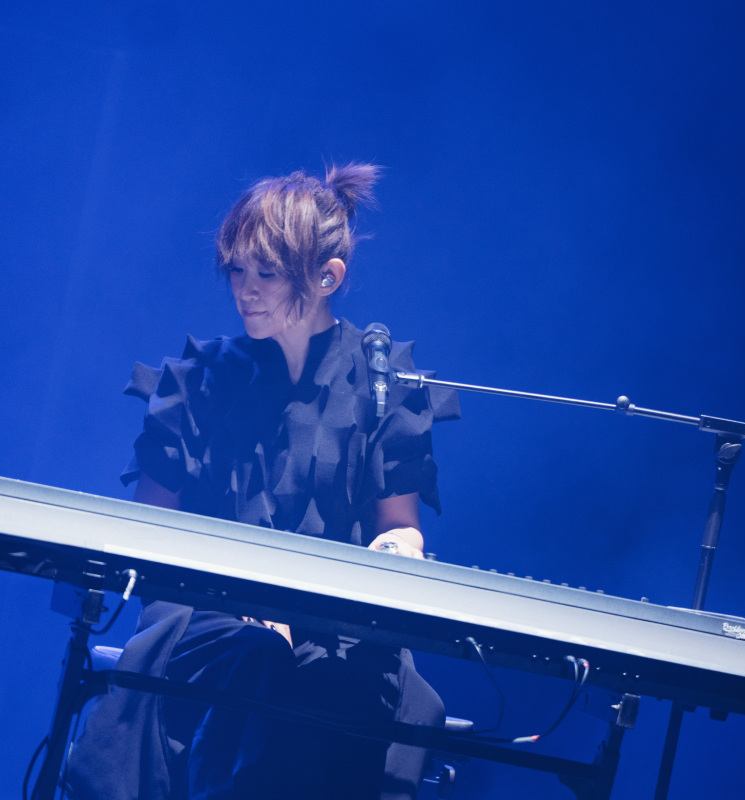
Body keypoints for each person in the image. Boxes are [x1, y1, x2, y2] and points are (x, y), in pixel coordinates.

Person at [63, 164, 459, 800]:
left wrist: (395, 552)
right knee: (257, 656)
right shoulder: (200, 381)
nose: (245, 290)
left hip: (335, 619)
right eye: (236, 270)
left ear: (328, 277)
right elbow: (151, 531)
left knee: (387, 693)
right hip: (203, 611)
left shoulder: (383, 386)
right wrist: (245, 598)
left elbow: (398, 527)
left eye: (266, 273)